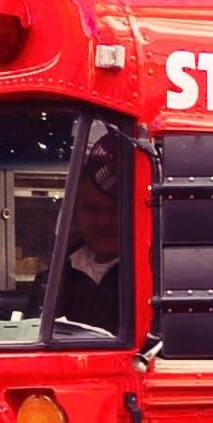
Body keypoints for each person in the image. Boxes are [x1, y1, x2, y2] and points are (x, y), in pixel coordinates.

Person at [52, 131, 130, 339]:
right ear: (75, 212)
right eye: (92, 209)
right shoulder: (55, 276)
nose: (103, 222)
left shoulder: (153, 277)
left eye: (114, 210)